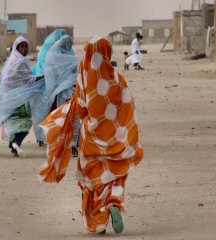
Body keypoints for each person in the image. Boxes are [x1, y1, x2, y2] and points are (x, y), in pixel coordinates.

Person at [38, 37, 144, 234]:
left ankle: (98, 223)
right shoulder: (117, 79)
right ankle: (112, 202)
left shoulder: (85, 78)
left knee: (91, 178)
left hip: (91, 139)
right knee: (112, 174)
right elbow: (128, 107)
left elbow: (81, 108)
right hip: (115, 138)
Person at [31, 35, 80, 155]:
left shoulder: (51, 58)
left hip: (55, 94)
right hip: (70, 93)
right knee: (72, 120)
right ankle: (72, 146)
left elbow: (50, 76)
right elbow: (76, 77)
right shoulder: (72, 59)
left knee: (58, 120)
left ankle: (58, 144)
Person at [0, 36, 43, 157]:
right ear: (17, 47)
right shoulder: (20, 62)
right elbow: (28, 79)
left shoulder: (11, 61)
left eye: (26, 46)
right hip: (18, 98)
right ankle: (16, 143)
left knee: (13, 122)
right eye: (22, 46)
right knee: (25, 122)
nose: (24, 49)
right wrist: (43, 78)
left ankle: (13, 146)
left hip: (8, 97)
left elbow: (2, 77)